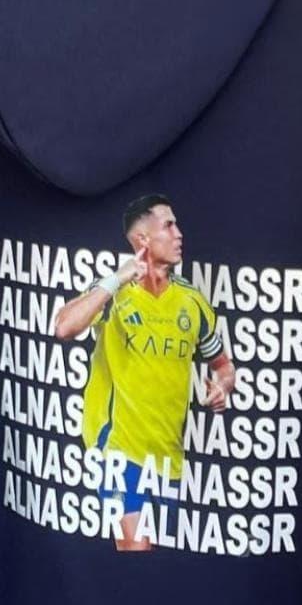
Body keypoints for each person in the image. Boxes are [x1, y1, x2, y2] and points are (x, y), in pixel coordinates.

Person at [54, 193, 237, 550]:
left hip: (167, 457)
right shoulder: (113, 292)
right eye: (169, 226)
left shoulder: (193, 302)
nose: (179, 234)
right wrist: (117, 278)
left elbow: (223, 365)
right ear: (143, 239)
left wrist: (223, 386)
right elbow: (64, 327)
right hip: (117, 448)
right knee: (137, 549)